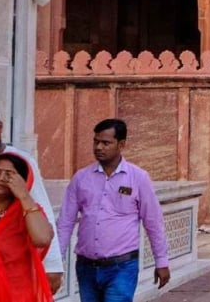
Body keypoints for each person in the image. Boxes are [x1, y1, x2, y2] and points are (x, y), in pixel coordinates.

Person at [57, 120, 170, 302]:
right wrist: (55, 262)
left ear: (121, 144)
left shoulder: (138, 178)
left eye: (106, 143)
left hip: (122, 267)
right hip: (86, 267)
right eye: (96, 142)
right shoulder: (81, 178)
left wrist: (161, 261)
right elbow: (65, 222)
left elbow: (153, 222)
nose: (99, 147)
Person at [0, 104, 63, 294]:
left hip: (15, 273)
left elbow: (42, 211)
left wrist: (53, 265)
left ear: (0, 127)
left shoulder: (22, 163)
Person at [0, 151, 56, 302]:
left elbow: (42, 239)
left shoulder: (29, 210)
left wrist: (24, 196)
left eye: (9, 174)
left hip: (16, 294)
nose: (1, 178)